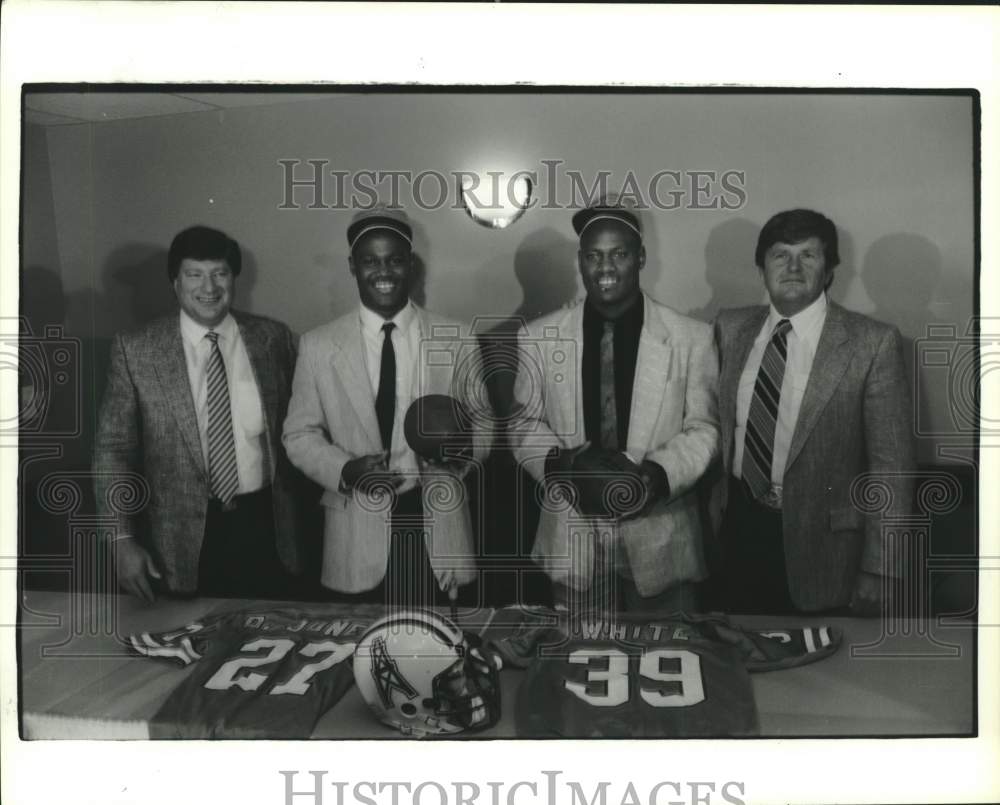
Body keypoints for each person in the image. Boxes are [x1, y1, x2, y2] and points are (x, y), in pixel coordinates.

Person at [510, 196, 719, 613]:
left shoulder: (690, 337)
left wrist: (658, 476)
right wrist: (558, 465)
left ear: (641, 258)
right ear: (581, 261)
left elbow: (704, 428)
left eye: (619, 254)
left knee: (666, 660)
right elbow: (523, 424)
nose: (605, 267)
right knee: (577, 667)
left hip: (661, 540)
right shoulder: (538, 338)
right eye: (594, 255)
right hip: (572, 539)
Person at [282, 205, 492, 607]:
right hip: (356, 531)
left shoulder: (457, 337)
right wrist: (345, 469)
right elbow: (299, 433)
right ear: (352, 266)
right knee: (361, 655)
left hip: (437, 521)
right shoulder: (318, 345)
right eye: (370, 261)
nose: (383, 272)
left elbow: (484, 423)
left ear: (410, 265)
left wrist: (463, 450)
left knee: (438, 653)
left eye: (395, 260)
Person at [710, 208, 916, 615]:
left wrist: (881, 567)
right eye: (780, 254)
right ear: (761, 268)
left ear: (830, 270)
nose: (792, 266)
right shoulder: (729, 329)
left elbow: (892, 467)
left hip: (825, 551)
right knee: (738, 663)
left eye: (808, 255)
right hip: (737, 533)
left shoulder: (872, 343)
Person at [93, 225, 310, 602]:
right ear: (175, 282)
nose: (208, 288)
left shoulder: (273, 339)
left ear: (234, 279)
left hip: (266, 529)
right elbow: (113, 451)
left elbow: (302, 429)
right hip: (178, 540)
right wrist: (120, 539)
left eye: (220, 273)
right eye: (195, 274)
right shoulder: (137, 350)